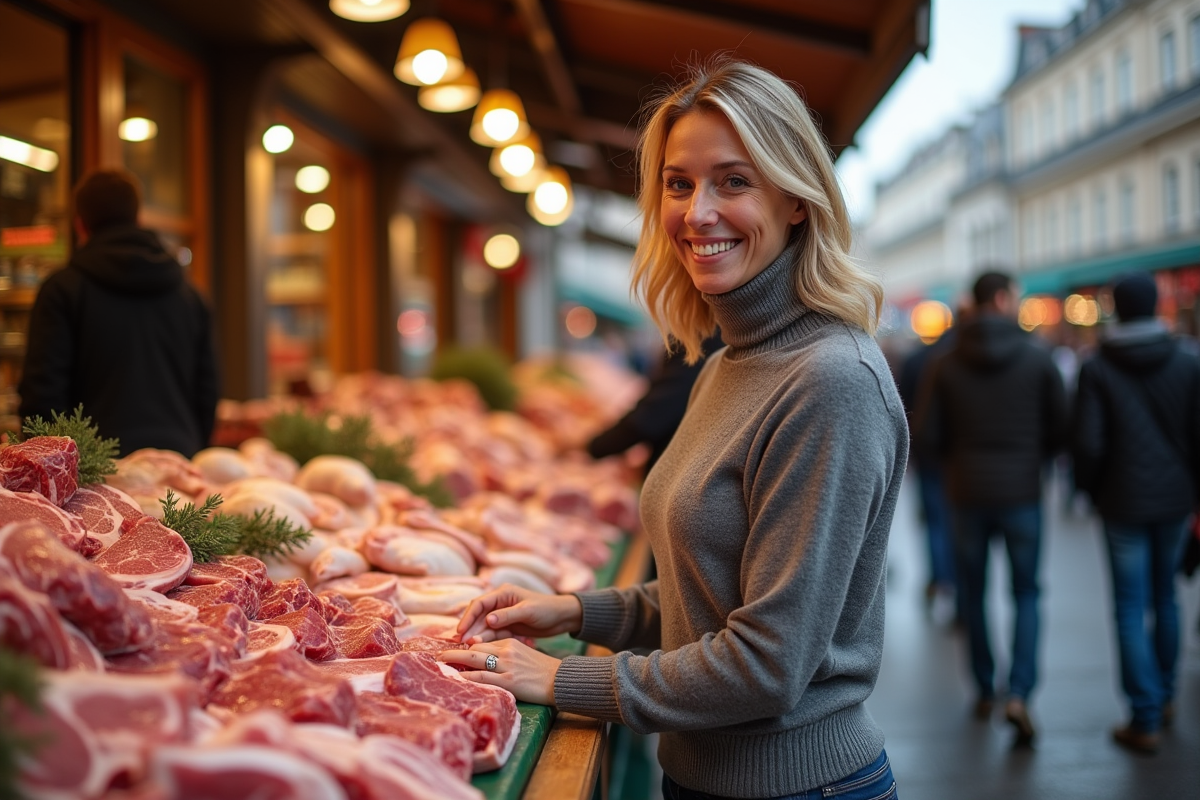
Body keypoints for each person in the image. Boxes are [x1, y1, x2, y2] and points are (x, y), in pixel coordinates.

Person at [441, 58, 909, 800]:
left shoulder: (830, 381)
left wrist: (563, 677)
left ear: (795, 198)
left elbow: (767, 664)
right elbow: (707, 597)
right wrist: (575, 610)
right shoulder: (727, 362)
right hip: (704, 780)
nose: (698, 214)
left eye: (734, 181)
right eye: (678, 183)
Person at [913, 271, 1067, 746]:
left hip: (966, 495)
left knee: (973, 594)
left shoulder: (946, 362)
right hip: (1022, 494)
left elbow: (928, 435)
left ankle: (985, 688)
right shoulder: (1038, 359)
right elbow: (1061, 431)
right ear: (1002, 299)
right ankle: (1019, 692)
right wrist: (1032, 461)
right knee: (1027, 593)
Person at [1070, 272, 1200, 754]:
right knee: (1165, 596)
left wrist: (1086, 489)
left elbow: (1088, 441)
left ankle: (1142, 715)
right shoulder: (1188, 362)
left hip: (1121, 499)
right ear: (1157, 305)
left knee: (1128, 604)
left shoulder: (1098, 365)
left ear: (1116, 308)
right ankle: (1165, 697)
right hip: (1174, 498)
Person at [18, 169, 219, 457]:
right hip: (178, 467)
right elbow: (207, 392)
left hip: (94, 477)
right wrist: (192, 450)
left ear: (80, 226)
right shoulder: (191, 294)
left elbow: (42, 397)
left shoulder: (62, 291)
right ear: (138, 217)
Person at [586, 330, 723, 475]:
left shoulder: (701, 331)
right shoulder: (715, 333)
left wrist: (594, 446)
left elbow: (657, 411)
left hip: (684, 474)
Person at [897, 326, 957, 617]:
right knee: (955, 524)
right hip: (962, 461)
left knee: (935, 522)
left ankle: (941, 580)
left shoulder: (917, 360)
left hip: (930, 457)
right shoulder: (957, 359)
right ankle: (956, 584)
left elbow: (906, 408)